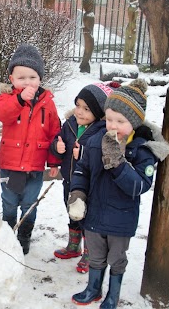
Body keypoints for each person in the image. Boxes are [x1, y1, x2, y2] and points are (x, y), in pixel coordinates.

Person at [67, 79, 169, 308]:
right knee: (95, 256)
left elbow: (139, 186)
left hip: (120, 219)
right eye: (109, 119)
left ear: (133, 122)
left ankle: (112, 295)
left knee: (116, 259)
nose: (113, 126)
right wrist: (77, 193)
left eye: (120, 121)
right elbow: (83, 169)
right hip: (94, 215)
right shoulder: (95, 142)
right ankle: (93, 288)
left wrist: (118, 164)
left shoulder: (142, 151)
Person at [0, 43, 61, 255]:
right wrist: (18, 100)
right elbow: (2, 115)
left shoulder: (47, 102)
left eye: (32, 77)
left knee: (30, 203)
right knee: (9, 202)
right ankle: (7, 233)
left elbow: (54, 132)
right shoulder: (7, 98)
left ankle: (24, 234)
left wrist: (53, 162)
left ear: (40, 79)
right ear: (12, 79)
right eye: (21, 78)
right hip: (11, 164)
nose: (27, 82)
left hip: (34, 165)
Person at [51, 82, 116, 273]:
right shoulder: (70, 124)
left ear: (98, 112)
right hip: (69, 181)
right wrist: (57, 146)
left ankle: (90, 253)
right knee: (72, 212)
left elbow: (104, 156)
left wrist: (86, 152)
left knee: (87, 218)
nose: (79, 112)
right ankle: (74, 246)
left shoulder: (102, 130)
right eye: (78, 106)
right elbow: (58, 139)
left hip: (90, 186)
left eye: (86, 109)